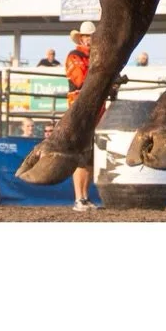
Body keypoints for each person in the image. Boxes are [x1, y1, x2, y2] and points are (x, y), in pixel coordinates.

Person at [65, 22, 96, 210]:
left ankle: (84, 197)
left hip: (93, 108)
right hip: (79, 107)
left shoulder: (93, 56)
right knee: (82, 155)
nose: (90, 39)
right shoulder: (74, 56)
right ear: (82, 38)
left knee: (90, 156)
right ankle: (79, 197)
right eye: (87, 36)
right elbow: (80, 80)